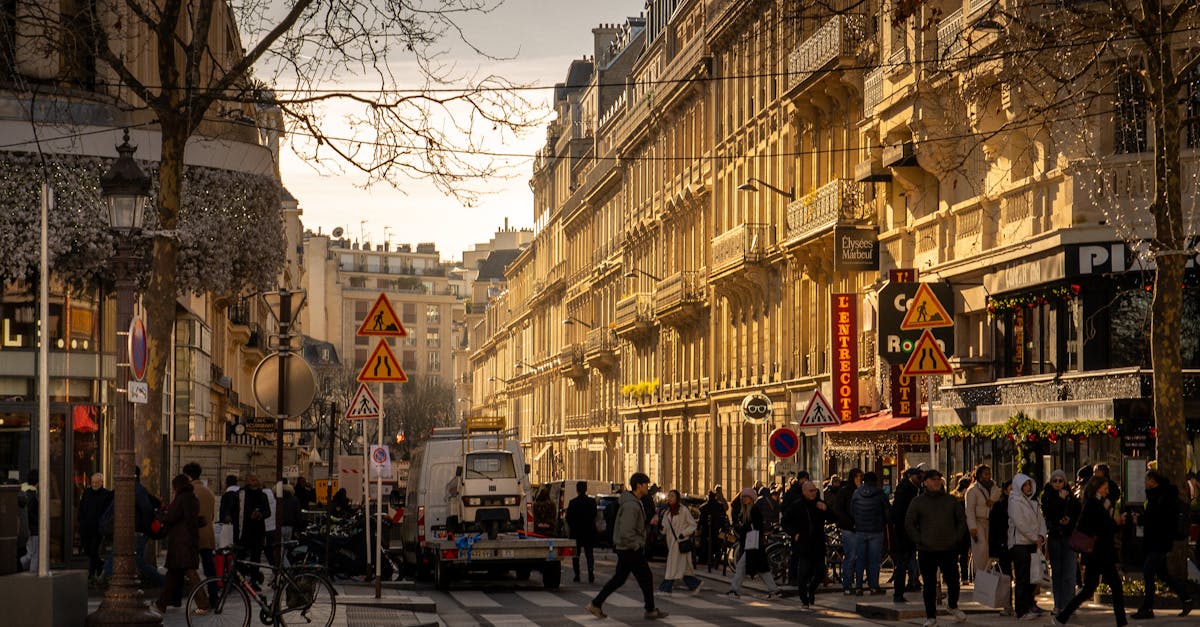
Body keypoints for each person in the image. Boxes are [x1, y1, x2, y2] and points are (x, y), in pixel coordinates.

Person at [587, 472, 668, 620]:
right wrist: (637, 545)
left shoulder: (633, 502)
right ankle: (650, 610)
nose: (647, 487)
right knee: (646, 577)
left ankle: (596, 603)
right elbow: (627, 530)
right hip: (630, 548)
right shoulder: (631, 505)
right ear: (639, 486)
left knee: (619, 579)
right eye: (645, 485)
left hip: (626, 547)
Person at [1052, 476, 1128, 627]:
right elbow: (1102, 527)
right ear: (1097, 488)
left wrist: (1114, 521)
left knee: (1089, 589)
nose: (1107, 490)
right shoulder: (1093, 504)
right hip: (1099, 552)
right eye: (1105, 487)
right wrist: (1116, 522)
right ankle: (1121, 621)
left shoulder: (1099, 503)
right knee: (1112, 586)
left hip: (1098, 553)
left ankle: (1062, 617)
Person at [905, 469, 968, 627]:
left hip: (948, 547)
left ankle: (952, 605)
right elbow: (909, 523)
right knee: (929, 585)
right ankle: (931, 616)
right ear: (925, 482)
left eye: (939, 479)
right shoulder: (918, 502)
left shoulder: (950, 500)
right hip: (927, 549)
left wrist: (957, 538)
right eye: (933, 479)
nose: (936, 482)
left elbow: (961, 520)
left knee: (954, 581)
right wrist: (919, 539)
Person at [1131, 471, 1193, 618]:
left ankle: (1147, 608)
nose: (1145, 482)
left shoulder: (1162, 497)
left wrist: (1140, 520)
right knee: (1163, 574)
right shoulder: (1157, 495)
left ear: (1153, 481)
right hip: (1157, 541)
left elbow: (1158, 519)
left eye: (1147, 479)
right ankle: (1186, 599)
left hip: (1159, 542)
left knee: (1148, 571)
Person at [783, 480, 832, 609]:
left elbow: (833, 518)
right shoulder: (797, 505)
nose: (813, 493)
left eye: (815, 490)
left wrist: (826, 509)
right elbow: (785, 522)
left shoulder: (820, 504)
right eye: (811, 491)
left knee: (821, 572)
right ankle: (804, 599)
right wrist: (794, 534)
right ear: (804, 492)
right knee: (803, 572)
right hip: (803, 544)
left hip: (818, 544)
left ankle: (811, 589)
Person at [155, 474, 200, 614]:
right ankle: (163, 603)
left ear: (177, 486)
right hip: (187, 540)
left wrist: (159, 513)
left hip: (181, 542)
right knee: (174, 574)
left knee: (189, 572)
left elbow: (170, 517)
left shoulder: (182, 498)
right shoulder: (192, 497)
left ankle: (204, 603)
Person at [727, 487, 782, 598]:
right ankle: (774, 590)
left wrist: (743, 530)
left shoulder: (754, 510)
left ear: (751, 498)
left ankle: (735, 589)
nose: (744, 499)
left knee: (742, 567)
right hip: (753, 544)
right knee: (762, 569)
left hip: (753, 544)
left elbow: (755, 528)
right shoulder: (746, 511)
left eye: (746, 497)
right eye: (743, 497)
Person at [1008, 472, 1047, 620]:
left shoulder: (1033, 501)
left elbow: (1040, 520)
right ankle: (1021, 610)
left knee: (1033, 577)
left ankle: (1031, 604)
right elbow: (1020, 523)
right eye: (1024, 485)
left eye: (1029, 484)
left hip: (1033, 543)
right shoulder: (1014, 501)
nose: (1027, 487)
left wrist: (1041, 536)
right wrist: (1034, 536)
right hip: (1020, 544)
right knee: (1022, 577)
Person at [1041, 469, 1081, 616]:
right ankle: (1058, 605)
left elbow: (1077, 514)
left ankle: (1068, 605)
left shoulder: (1071, 497)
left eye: (1060, 481)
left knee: (1069, 573)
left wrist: (1068, 520)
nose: (1058, 483)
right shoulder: (1047, 495)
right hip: (1054, 537)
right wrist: (1060, 500)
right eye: (1055, 481)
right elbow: (1048, 512)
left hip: (1069, 536)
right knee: (1057, 573)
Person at [182, 462, 218, 608]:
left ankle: (200, 598)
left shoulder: (188, 492)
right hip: (208, 534)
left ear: (187, 476)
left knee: (188, 567)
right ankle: (214, 596)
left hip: (192, 534)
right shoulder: (208, 492)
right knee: (210, 567)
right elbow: (213, 516)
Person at [851, 471, 889, 595]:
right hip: (876, 530)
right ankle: (873, 586)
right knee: (874, 560)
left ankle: (858, 587)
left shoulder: (856, 493)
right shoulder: (880, 494)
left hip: (860, 530)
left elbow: (852, 511)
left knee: (860, 559)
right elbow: (887, 512)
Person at [890, 467, 923, 604]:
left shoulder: (904, 490)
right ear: (911, 476)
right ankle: (903, 590)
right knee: (905, 562)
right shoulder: (909, 491)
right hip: (906, 533)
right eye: (918, 477)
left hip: (904, 532)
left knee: (907, 562)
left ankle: (909, 585)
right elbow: (901, 514)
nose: (920, 480)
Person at [659, 489, 701, 593]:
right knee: (683, 568)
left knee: (672, 567)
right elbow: (664, 529)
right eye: (669, 496)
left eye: (672, 496)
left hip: (680, 543)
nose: (670, 498)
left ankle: (666, 587)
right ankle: (694, 584)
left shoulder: (683, 510)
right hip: (672, 544)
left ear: (677, 498)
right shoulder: (667, 512)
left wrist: (683, 534)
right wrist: (659, 526)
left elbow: (693, 525)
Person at [964, 465, 1000, 580]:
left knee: (990, 549)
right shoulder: (973, 490)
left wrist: (992, 499)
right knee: (981, 549)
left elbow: (999, 493)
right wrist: (972, 527)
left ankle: (988, 574)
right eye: (985, 474)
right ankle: (981, 576)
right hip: (978, 522)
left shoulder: (994, 488)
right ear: (979, 475)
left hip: (991, 522)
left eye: (989, 474)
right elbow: (969, 510)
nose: (988, 476)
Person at [833, 468, 864, 595]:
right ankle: (847, 584)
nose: (859, 479)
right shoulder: (846, 491)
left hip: (858, 528)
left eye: (861, 477)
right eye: (857, 477)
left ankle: (855, 584)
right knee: (851, 556)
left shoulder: (860, 490)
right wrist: (850, 522)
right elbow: (839, 509)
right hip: (849, 528)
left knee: (858, 557)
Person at [79, 473, 113, 583]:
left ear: (101, 482)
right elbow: (82, 507)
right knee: (88, 550)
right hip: (86, 527)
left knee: (94, 549)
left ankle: (91, 572)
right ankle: (100, 565)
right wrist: (80, 521)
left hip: (98, 528)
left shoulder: (106, 494)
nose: (94, 484)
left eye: (97, 482)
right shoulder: (87, 493)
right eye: (92, 482)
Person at [237, 474, 271, 584]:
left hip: (258, 531)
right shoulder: (241, 494)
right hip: (244, 530)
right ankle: (240, 579)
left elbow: (268, 512)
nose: (254, 481)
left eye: (256, 479)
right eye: (252, 480)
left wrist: (260, 515)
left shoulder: (262, 495)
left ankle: (254, 580)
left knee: (255, 558)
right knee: (240, 555)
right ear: (247, 481)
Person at [988, 480, 1015, 616]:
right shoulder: (999, 506)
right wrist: (993, 550)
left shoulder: (1024, 505)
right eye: (1012, 489)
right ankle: (1007, 604)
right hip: (1003, 545)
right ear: (1005, 491)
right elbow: (993, 529)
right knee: (1005, 576)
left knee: (1023, 575)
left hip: (1020, 544)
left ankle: (1024, 603)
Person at [565, 481, 597, 583]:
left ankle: (577, 575)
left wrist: (573, 526)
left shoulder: (573, 502)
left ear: (577, 490)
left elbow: (568, 518)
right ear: (586, 489)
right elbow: (594, 515)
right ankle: (590, 572)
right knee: (589, 554)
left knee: (576, 555)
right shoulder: (592, 502)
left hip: (576, 532)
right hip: (588, 531)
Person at [699, 490, 729, 572]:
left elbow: (701, 521)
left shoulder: (704, 507)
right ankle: (715, 562)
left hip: (706, 531)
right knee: (717, 547)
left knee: (706, 546)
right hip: (717, 531)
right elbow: (724, 518)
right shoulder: (719, 506)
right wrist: (725, 528)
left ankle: (707, 561)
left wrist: (698, 529)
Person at [18, 470, 39, 571]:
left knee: (31, 553)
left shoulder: (23, 492)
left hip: (27, 529)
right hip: (34, 529)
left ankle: (19, 565)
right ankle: (31, 576)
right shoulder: (32, 495)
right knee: (34, 554)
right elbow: (31, 513)